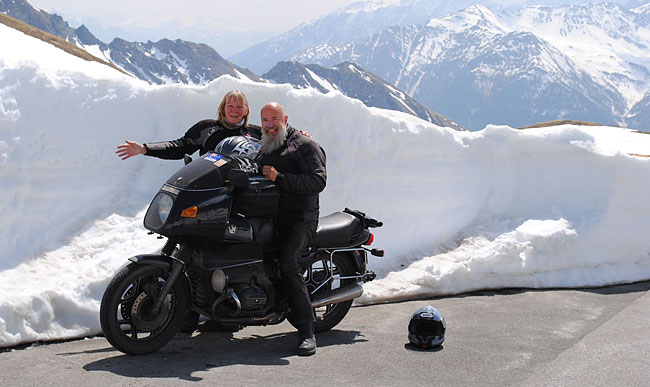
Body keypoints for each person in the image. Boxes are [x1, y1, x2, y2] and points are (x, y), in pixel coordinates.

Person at [256, 102, 327, 356]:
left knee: (288, 263)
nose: (269, 124)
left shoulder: (305, 146)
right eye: (265, 119)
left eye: (274, 118)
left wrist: (280, 178)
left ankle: (307, 331)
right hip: (271, 216)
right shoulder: (266, 141)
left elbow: (318, 180)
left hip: (300, 219)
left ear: (284, 118)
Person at [115, 90, 260, 160]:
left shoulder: (255, 134)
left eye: (240, 106)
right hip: (211, 188)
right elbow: (179, 146)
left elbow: (277, 150)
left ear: (246, 110)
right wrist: (145, 149)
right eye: (230, 106)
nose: (235, 110)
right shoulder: (206, 128)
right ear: (222, 108)